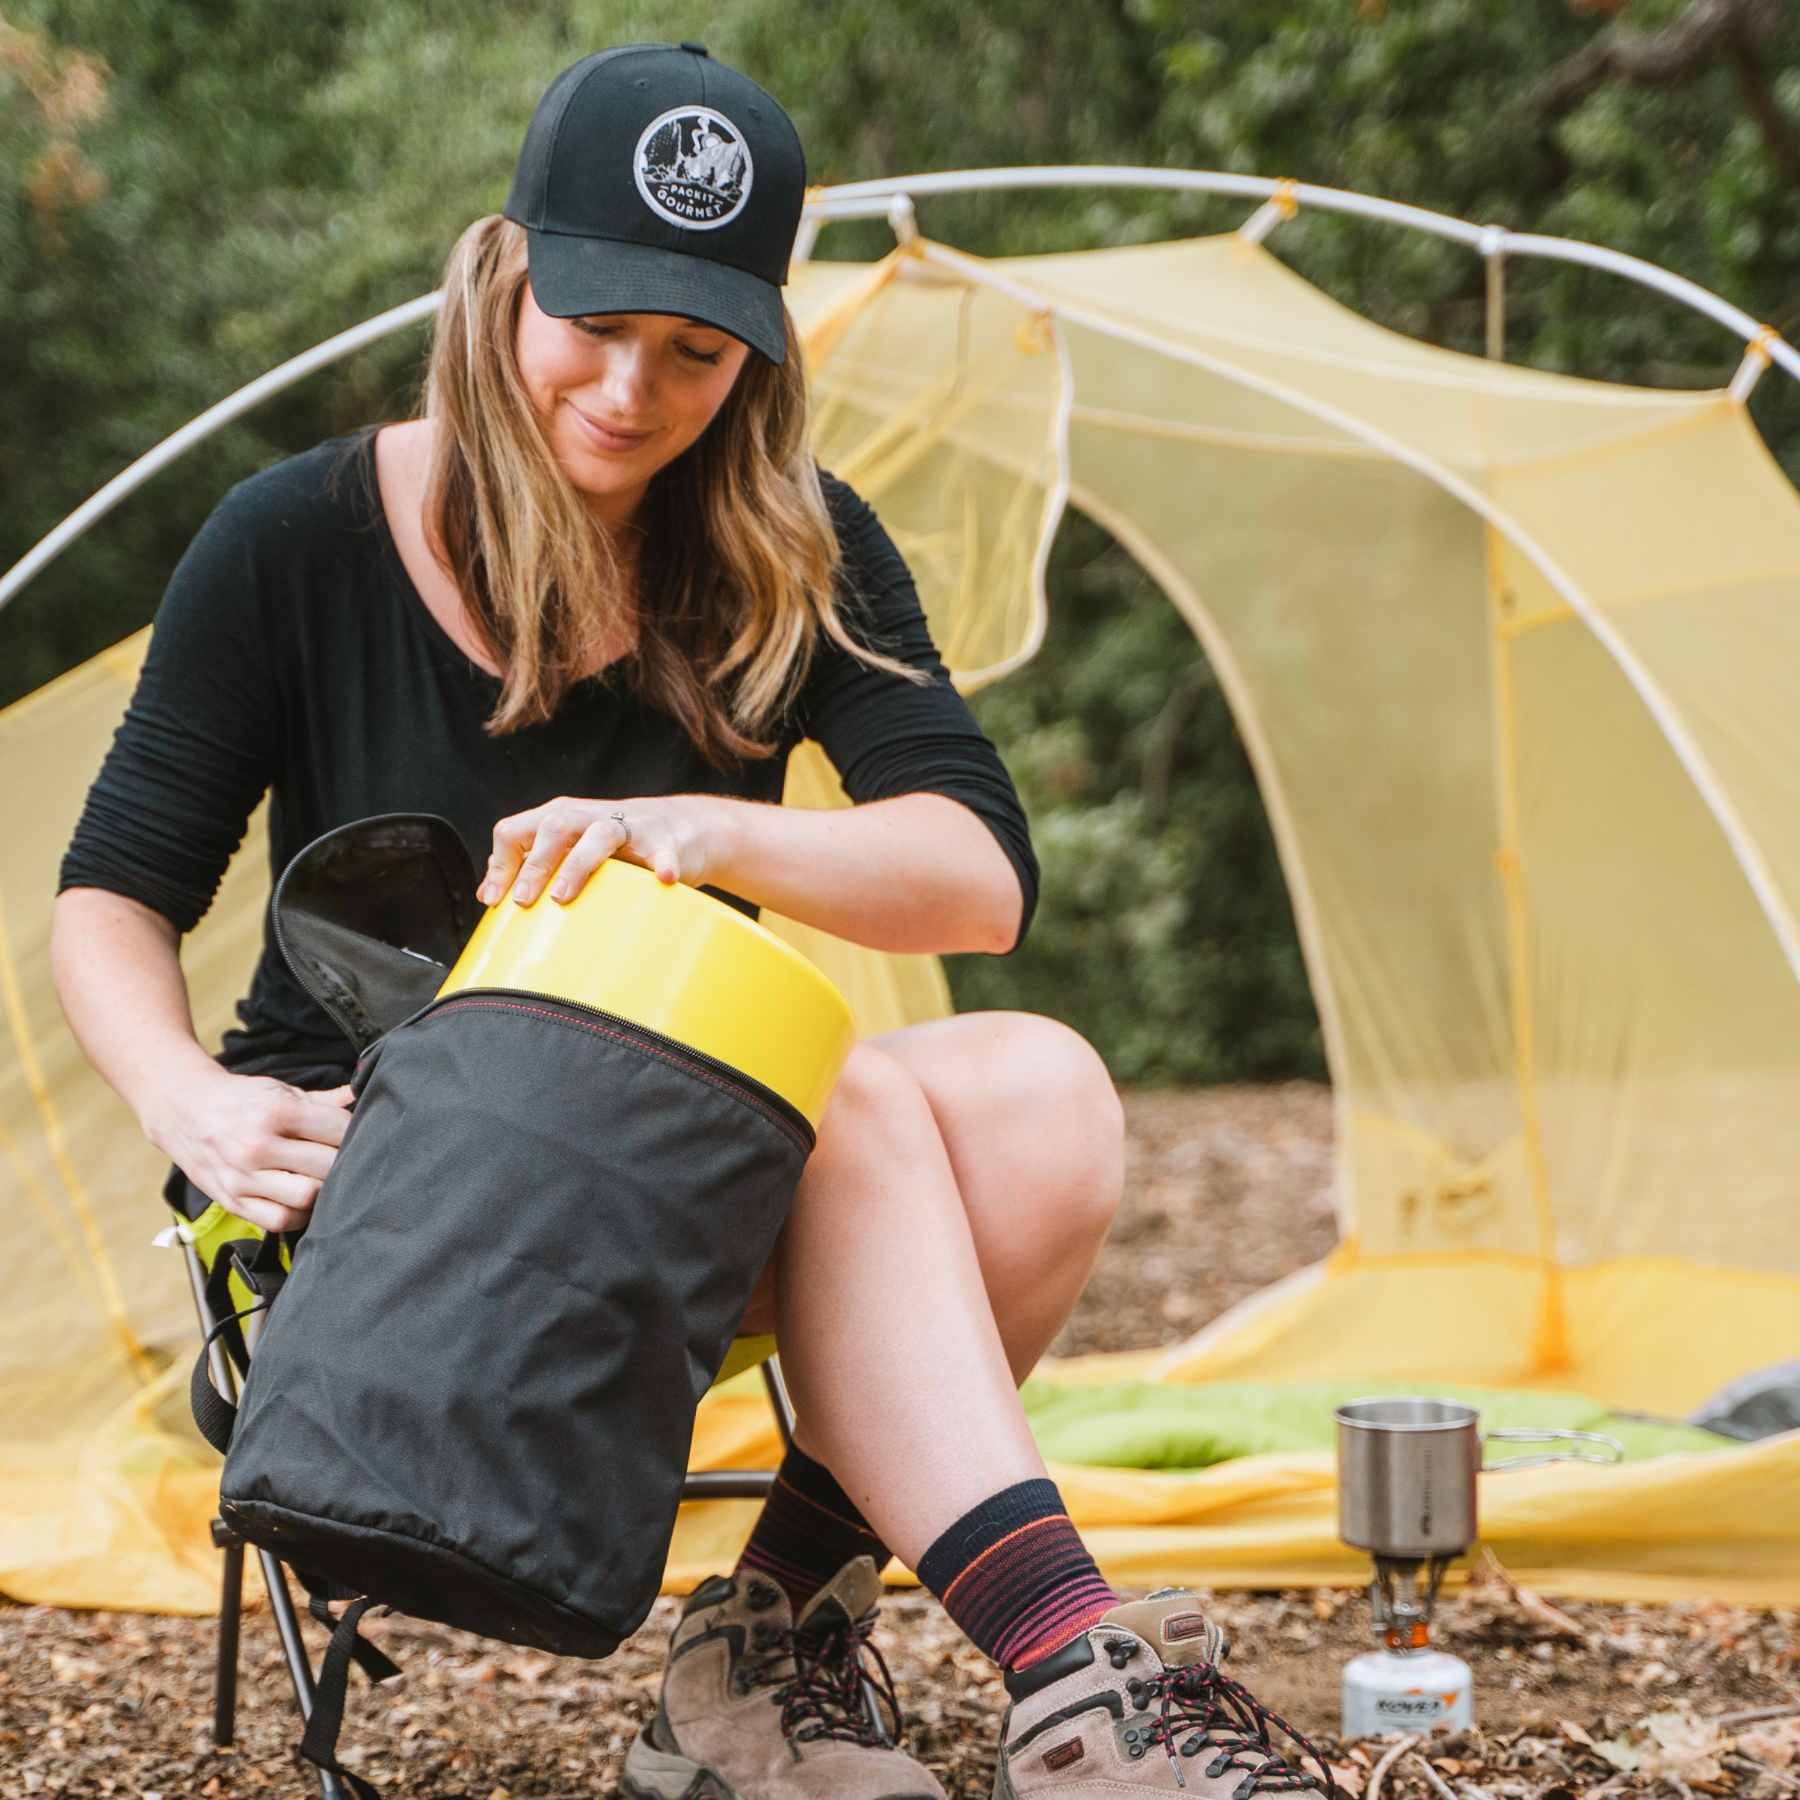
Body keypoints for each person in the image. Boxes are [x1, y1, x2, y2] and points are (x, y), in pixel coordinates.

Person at [51, 43, 1331, 1800]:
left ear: (759, 353)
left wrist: (690, 821)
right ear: (504, 269)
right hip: (362, 1205)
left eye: (698, 351)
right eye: (590, 323)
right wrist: (187, 1104)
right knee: (848, 1095)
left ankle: (759, 1662)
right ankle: (1077, 1683)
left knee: (1045, 1095)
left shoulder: (782, 550)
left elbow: (980, 873)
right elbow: (110, 896)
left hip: (652, 1171)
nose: (632, 391)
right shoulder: (296, 541)